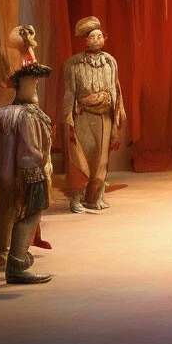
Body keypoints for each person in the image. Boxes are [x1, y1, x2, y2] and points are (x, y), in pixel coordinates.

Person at [0, 61, 54, 284]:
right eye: (32, 82)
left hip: (6, 173)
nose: (35, 85)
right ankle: (16, 262)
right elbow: (30, 150)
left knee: (8, 209)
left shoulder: (2, 115)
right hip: (27, 171)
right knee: (31, 212)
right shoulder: (26, 116)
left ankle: (7, 255)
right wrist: (35, 174)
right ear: (21, 84)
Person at [62, 16, 126, 213]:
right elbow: (69, 92)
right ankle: (76, 197)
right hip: (83, 116)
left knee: (101, 160)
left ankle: (94, 197)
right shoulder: (74, 64)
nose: (97, 39)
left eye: (100, 36)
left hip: (104, 117)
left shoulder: (110, 62)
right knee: (81, 157)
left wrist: (118, 114)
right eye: (92, 37)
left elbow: (116, 89)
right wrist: (68, 116)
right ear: (85, 40)